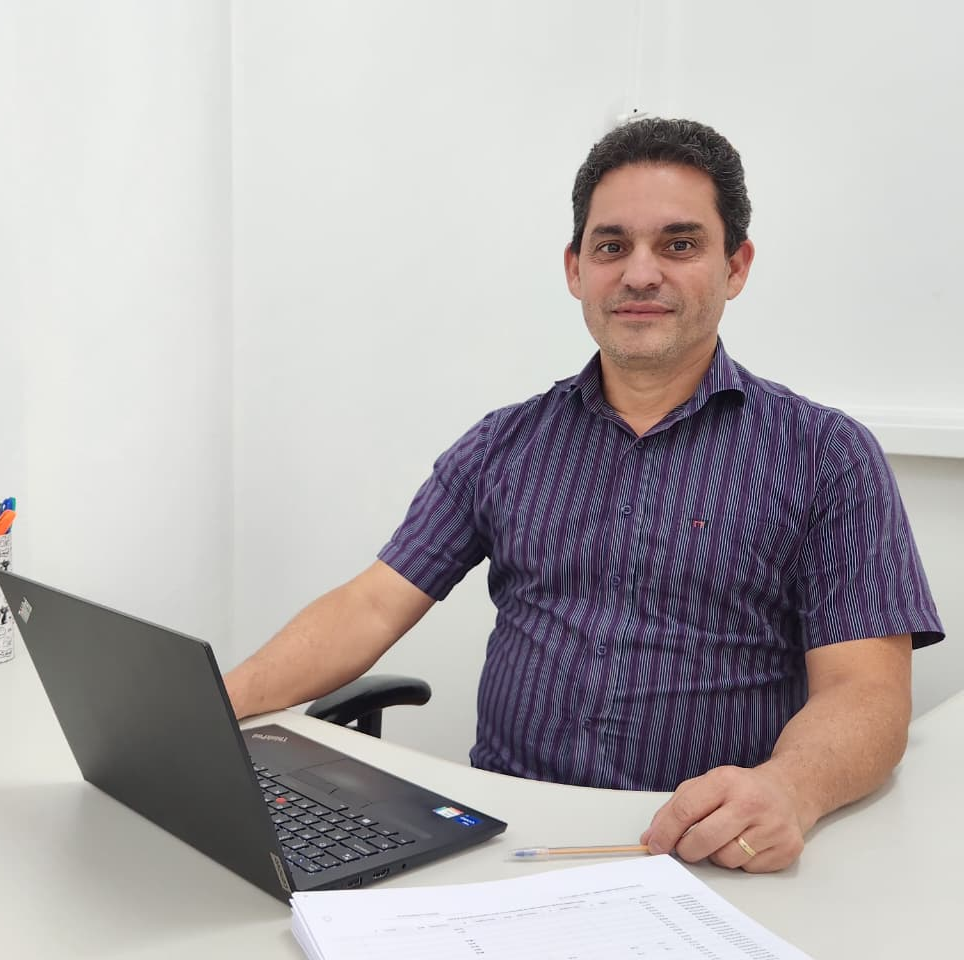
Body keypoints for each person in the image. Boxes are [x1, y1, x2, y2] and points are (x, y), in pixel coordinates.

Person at [223, 118, 944, 874]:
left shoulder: (826, 456)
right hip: (504, 842)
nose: (639, 274)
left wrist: (789, 790)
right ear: (576, 270)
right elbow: (371, 604)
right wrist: (210, 711)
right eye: (612, 246)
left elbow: (867, 692)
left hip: (701, 848)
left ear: (736, 266)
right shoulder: (503, 445)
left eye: (679, 244)